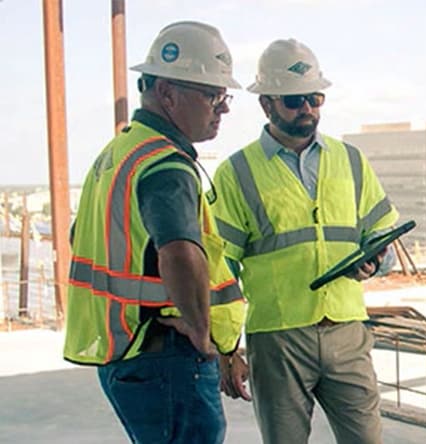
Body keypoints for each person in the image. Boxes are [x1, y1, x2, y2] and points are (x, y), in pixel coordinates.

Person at [63, 21, 245, 444]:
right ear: (167, 93)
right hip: (166, 358)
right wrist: (202, 335)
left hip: (127, 353)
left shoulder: (119, 152)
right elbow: (180, 253)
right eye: (212, 95)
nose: (223, 108)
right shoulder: (166, 166)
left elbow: (81, 235)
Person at [211, 38, 399, 444]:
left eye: (315, 98)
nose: (308, 109)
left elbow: (383, 235)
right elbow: (218, 268)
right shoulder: (236, 172)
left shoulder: (350, 160)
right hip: (278, 338)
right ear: (267, 104)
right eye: (295, 101)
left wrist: (376, 261)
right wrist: (226, 348)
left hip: (347, 329)